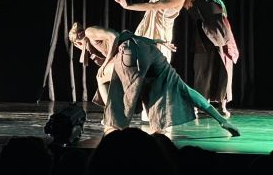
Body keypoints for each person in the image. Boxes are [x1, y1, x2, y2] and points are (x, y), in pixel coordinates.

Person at [70, 23, 240, 137]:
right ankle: (222, 121)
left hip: (131, 52)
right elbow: (130, 38)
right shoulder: (92, 44)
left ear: (77, 38)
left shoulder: (89, 32)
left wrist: (104, 64)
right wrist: (157, 42)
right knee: (179, 87)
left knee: (102, 80)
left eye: (77, 44)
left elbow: (115, 36)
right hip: (149, 51)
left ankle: (113, 124)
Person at [188, 0, 239, 117]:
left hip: (223, 38)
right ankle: (197, 106)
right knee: (203, 73)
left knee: (224, 71)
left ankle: (222, 105)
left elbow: (224, 17)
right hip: (206, 40)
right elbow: (197, 17)